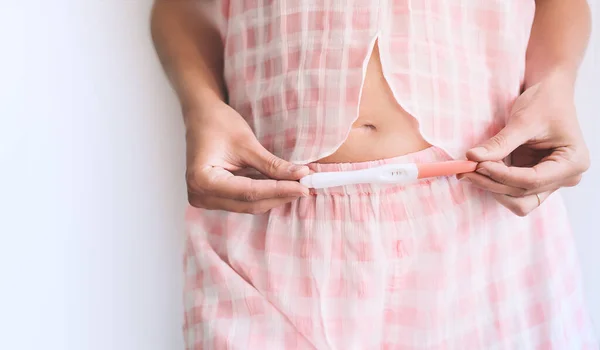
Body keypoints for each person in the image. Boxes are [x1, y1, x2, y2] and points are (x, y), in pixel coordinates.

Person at [151, 0, 597, 348]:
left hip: (485, 227)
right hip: (266, 227)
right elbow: (182, 5)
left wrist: (554, 82)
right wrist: (200, 105)